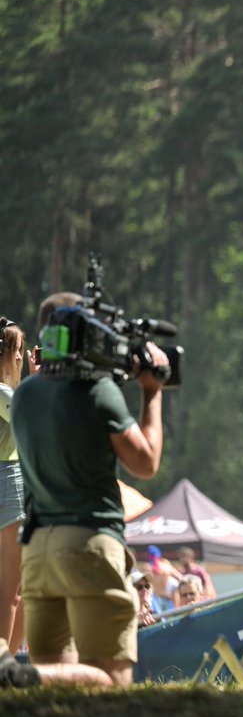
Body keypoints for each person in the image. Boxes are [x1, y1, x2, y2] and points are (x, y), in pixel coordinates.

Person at [12, 291, 169, 688]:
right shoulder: (97, 392)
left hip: (38, 549)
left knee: (58, 685)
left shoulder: (25, 394)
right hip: (89, 544)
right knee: (112, 680)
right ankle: (20, 674)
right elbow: (146, 463)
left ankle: (25, 674)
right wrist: (152, 392)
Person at [0, 317, 26, 652]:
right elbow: (32, 419)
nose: (19, 356)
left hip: (11, 483)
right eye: (14, 349)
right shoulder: (3, 392)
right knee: (11, 593)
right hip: (9, 483)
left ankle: (8, 659)